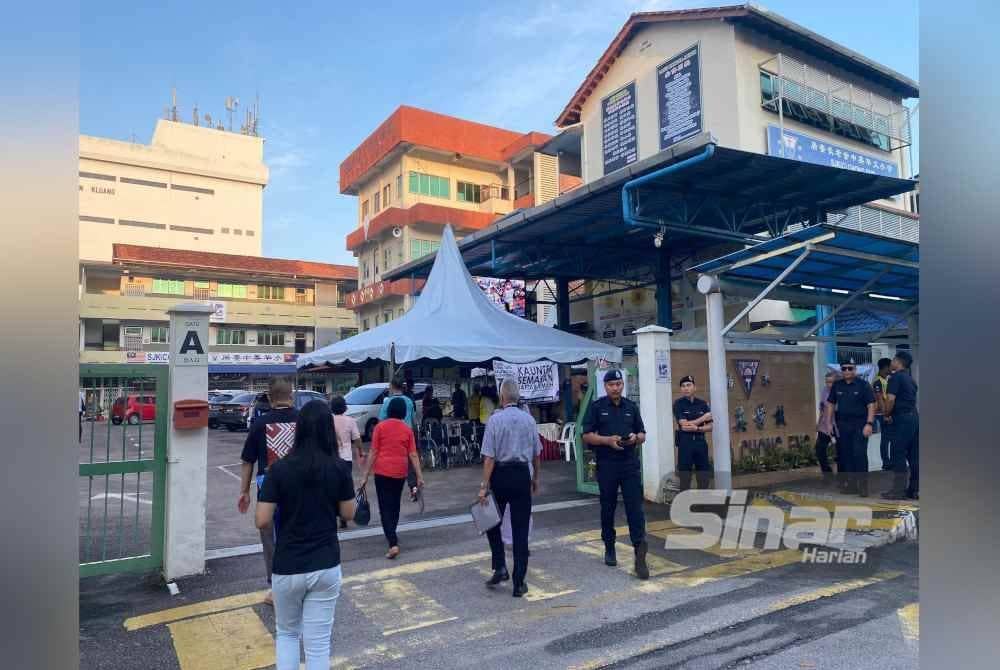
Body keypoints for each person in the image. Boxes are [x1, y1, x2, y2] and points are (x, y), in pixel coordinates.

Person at [254, 400, 356, 670]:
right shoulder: (338, 468)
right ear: (327, 429)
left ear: (299, 430)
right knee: (319, 643)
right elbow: (348, 513)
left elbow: (262, 520)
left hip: (288, 564)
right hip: (326, 563)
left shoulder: (279, 469)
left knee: (287, 635)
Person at [581, 369, 649, 579]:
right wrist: (608, 440)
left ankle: (640, 553)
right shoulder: (597, 407)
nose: (616, 388)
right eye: (612, 384)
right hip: (607, 464)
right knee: (608, 508)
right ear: (606, 386)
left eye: (619, 384)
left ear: (622, 385)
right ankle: (609, 547)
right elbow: (586, 436)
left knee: (634, 509)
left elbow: (642, 433)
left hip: (629, 464)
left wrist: (634, 438)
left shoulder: (631, 406)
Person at [478, 379, 541, 598]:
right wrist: (535, 479)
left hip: (500, 475)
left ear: (502, 397)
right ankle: (519, 582)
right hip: (522, 474)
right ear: (517, 396)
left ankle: (500, 565)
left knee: (491, 521)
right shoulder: (529, 420)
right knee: (520, 528)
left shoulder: (495, 421)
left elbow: (489, 458)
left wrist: (484, 486)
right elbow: (536, 455)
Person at [239, 376, 298, 605]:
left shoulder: (260, 423)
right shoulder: (304, 420)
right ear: (291, 395)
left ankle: (276, 589)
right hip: (301, 486)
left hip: (270, 488)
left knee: (270, 536)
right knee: (297, 532)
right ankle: (298, 583)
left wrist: (244, 491)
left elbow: (247, 461)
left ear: (270, 398)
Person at [360, 397, 425, 559]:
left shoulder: (380, 428)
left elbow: (374, 452)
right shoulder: (407, 430)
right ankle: (392, 534)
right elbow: (413, 455)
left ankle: (392, 542)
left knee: (384, 507)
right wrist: (419, 475)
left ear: (389, 410)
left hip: (382, 472)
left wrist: (365, 475)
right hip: (399, 472)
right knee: (395, 505)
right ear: (404, 412)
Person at [824, 359, 876, 496]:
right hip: (843, 425)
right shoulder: (837, 385)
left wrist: (869, 424)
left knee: (859, 454)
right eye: (844, 369)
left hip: (860, 424)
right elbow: (830, 404)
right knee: (846, 456)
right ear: (841, 370)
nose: (847, 371)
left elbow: (871, 405)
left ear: (855, 370)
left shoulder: (863, 385)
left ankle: (863, 486)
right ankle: (852, 485)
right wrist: (829, 423)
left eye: (850, 368)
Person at [881, 351, 919, 500]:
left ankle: (898, 491)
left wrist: (887, 414)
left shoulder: (895, 378)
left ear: (898, 362)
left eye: (893, 360)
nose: (891, 362)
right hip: (914, 418)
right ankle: (914, 490)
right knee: (914, 455)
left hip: (902, 419)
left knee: (898, 453)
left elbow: (890, 400)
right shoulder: (911, 379)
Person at [378, 378, 420, 500]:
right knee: (410, 462)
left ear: (392, 386)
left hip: (392, 436)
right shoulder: (409, 401)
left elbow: (381, 420)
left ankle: (392, 489)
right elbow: (413, 420)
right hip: (407, 434)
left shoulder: (388, 402)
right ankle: (413, 488)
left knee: (393, 460)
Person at [672, 376, 713, 491]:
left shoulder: (703, 404)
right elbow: (684, 426)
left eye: (688, 385)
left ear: (694, 387)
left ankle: (703, 504)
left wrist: (698, 429)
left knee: (704, 478)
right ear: (681, 389)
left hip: (700, 443)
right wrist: (702, 418)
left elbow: (710, 426)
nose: (686, 388)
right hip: (685, 444)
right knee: (685, 479)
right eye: (683, 386)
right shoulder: (678, 404)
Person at [330, 395, 363, 529]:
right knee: (344, 488)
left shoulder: (328, 420)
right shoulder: (350, 421)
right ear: (344, 407)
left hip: (331, 459)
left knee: (331, 488)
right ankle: (344, 517)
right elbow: (357, 439)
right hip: (346, 460)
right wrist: (360, 451)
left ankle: (333, 515)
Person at [815, 371, 840, 486]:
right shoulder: (824, 391)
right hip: (824, 426)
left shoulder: (840, 392)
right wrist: (818, 423)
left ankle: (843, 478)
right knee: (819, 449)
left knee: (840, 452)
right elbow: (822, 408)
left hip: (836, 426)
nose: (829, 384)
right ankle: (827, 473)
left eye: (831, 382)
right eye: (827, 382)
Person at [873, 357, 893, 470]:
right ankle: (886, 462)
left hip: (886, 413)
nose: (892, 369)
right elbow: (880, 399)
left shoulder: (886, 379)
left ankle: (888, 461)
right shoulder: (878, 381)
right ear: (885, 367)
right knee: (885, 439)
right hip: (882, 414)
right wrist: (886, 415)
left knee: (888, 438)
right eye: (890, 367)